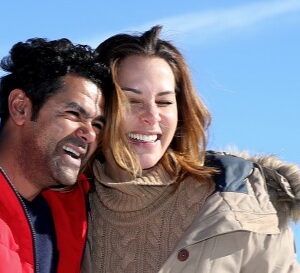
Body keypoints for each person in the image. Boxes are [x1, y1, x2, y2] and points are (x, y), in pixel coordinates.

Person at [83, 25, 300, 273]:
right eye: (132, 101)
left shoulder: (247, 203)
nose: (152, 117)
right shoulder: (61, 214)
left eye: (164, 102)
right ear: (98, 108)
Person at [0, 38, 111, 273]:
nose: (90, 133)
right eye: (73, 114)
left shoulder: (72, 218)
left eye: (98, 125)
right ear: (20, 108)